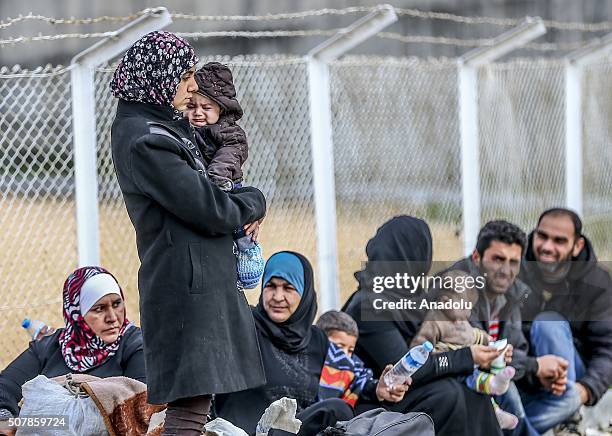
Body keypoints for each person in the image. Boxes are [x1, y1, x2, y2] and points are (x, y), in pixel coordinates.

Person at [110, 31, 267, 436]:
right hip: (184, 286)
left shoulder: (159, 126)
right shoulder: (146, 139)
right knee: (189, 408)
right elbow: (207, 207)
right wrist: (254, 201)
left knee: (197, 402)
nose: (192, 85)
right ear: (159, 78)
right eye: (183, 76)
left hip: (194, 280)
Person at [214, 252, 409, 436]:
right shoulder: (243, 326)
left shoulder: (317, 340)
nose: (278, 296)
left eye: (288, 288)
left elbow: (350, 377)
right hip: (244, 432)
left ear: (304, 292)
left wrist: (379, 388)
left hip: (295, 430)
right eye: (271, 286)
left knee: (352, 411)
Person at [342, 215, 504, 436]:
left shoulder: (416, 298)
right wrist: (467, 357)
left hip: (405, 394)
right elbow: (406, 369)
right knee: (448, 393)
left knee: (470, 390)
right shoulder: (369, 305)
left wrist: (487, 349)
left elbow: (452, 333)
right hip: (369, 402)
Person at [0, 266, 145, 421]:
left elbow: (138, 404)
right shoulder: (50, 347)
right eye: (99, 309)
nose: (112, 318)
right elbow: (5, 387)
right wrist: (5, 418)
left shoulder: (134, 344)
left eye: (117, 304)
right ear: (76, 314)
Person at [519, 208, 612, 434]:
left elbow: (608, 349)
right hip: (524, 372)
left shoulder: (596, 282)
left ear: (577, 245)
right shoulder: (514, 268)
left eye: (559, 241)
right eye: (542, 236)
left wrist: (586, 389)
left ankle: (567, 419)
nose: (547, 247)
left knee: (548, 324)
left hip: (570, 380)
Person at [447, 220, 540, 435]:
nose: (506, 270)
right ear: (477, 257)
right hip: (458, 383)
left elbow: (517, 349)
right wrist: (533, 365)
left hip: (497, 380)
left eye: (513, 262)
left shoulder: (512, 293)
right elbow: (459, 351)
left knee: (566, 396)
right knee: (510, 395)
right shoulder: (455, 288)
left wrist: (527, 363)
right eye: (498, 259)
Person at [184, 62, 264, 290]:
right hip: (208, 188)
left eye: (206, 108)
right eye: (192, 106)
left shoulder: (229, 132)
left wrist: (216, 179)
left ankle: (247, 249)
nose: (198, 113)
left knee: (240, 225)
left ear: (221, 109)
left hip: (228, 183)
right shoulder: (184, 130)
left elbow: (228, 157)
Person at [411, 270, 518, 430]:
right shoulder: (435, 321)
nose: (467, 314)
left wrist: (493, 345)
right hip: (449, 370)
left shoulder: (461, 321)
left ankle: (495, 408)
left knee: (480, 386)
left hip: (467, 366)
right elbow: (419, 347)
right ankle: (495, 394)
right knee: (472, 382)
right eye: (464, 307)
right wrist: (433, 355)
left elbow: (475, 335)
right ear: (445, 301)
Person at [316, 310, 409, 408]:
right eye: (338, 348)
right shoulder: (309, 365)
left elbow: (364, 387)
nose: (345, 355)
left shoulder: (355, 369)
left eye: (350, 350)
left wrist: (378, 390)